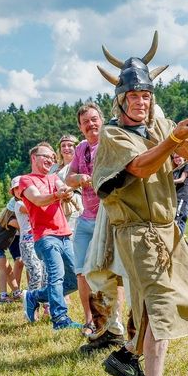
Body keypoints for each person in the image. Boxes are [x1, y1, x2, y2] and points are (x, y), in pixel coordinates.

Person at [94, 33, 188, 376]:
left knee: (149, 307)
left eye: (146, 96)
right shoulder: (112, 134)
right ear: (121, 100)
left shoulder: (160, 123)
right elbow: (139, 166)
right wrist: (171, 141)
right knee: (161, 308)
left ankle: (125, 356)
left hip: (166, 229)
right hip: (137, 232)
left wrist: (183, 139)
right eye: (134, 97)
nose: (141, 103)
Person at [20, 142, 82, 330]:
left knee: (75, 279)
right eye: (46, 156)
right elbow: (37, 199)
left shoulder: (54, 177)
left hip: (65, 234)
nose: (50, 160)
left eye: (52, 158)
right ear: (34, 158)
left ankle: (34, 296)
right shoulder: (25, 180)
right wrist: (58, 194)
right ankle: (60, 320)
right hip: (45, 236)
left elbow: (65, 189)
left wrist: (69, 193)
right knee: (57, 276)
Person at [65, 102, 107, 338]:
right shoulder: (81, 149)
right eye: (85, 122)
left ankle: (111, 319)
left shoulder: (111, 142)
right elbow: (69, 178)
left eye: (93, 119)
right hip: (85, 218)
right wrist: (78, 177)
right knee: (81, 272)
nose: (90, 125)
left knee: (105, 272)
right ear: (80, 127)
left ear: (101, 119)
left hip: (107, 216)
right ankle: (89, 320)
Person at [12, 176, 48, 318]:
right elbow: (34, 208)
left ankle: (47, 306)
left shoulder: (33, 199)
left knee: (45, 273)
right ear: (13, 192)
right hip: (27, 242)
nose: (18, 190)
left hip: (40, 238)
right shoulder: (18, 204)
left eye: (20, 186)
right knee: (36, 273)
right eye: (15, 188)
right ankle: (32, 304)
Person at [50, 134, 83, 230]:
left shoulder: (79, 166)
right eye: (63, 145)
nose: (66, 148)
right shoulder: (54, 167)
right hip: (53, 205)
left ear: (76, 147)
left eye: (70, 145)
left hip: (72, 204)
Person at [172, 153, 188, 237]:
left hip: (182, 195)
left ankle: (180, 240)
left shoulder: (187, 165)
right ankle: (182, 239)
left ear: (184, 157)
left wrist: (168, 181)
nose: (177, 159)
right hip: (176, 196)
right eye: (175, 158)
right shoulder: (176, 169)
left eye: (178, 156)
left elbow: (182, 179)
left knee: (179, 217)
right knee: (174, 218)